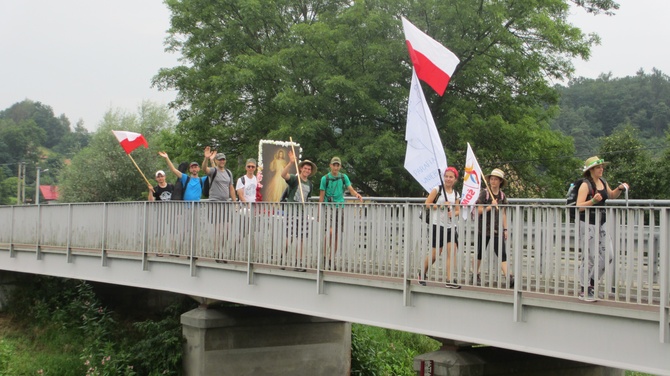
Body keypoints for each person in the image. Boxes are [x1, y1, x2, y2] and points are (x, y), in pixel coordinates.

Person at [576, 156, 629, 302]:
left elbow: (610, 195)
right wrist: (593, 201)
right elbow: (579, 206)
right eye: (599, 167)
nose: (601, 169)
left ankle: (591, 282)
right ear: (591, 170)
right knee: (589, 257)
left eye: (602, 167)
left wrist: (619, 188)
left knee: (609, 255)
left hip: (602, 222)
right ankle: (584, 289)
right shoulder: (586, 185)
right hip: (588, 223)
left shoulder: (603, 182)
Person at [418, 167, 461, 289]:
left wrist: (453, 213)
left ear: (455, 179)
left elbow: (458, 210)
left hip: (451, 226)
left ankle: (449, 279)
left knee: (452, 251)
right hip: (437, 224)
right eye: (446, 176)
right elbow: (427, 204)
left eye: (451, 177)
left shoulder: (456, 194)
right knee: (435, 253)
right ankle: (422, 272)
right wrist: (441, 206)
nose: (448, 179)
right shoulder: (438, 189)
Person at [319, 156, 363, 269]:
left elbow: (350, 189)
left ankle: (330, 259)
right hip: (329, 207)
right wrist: (320, 211)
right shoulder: (325, 178)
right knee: (330, 232)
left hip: (340, 207)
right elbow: (321, 196)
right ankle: (324, 255)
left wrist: (357, 195)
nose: (336, 167)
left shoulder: (343, 177)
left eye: (337, 165)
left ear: (340, 166)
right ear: (330, 165)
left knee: (336, 235)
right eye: (334, 165)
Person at [475, 168, 512, 287]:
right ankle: (475, 273)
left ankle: (508, 277)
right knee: (480, 252)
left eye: (496, 179)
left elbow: (503, 213)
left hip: (497, 229)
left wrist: (505, 229)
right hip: (484, 228)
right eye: (491, 179)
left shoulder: (502, 196)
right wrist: (490, 206)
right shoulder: (484, 193)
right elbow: (478, 210)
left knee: (501, 252)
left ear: (500, 181)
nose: (493, 181)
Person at [280, 151, 318, 271]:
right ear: (301, 169)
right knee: (290, 237)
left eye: (309, 169)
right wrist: (291, 163)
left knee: (301, 238)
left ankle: (299, 263)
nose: (307, 170)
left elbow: (308, 199)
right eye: (305, 168)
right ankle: (282, 258)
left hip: (302, 213)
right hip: (292, 212)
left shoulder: (310, 184)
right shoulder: (294, 179)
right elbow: (283, 174)